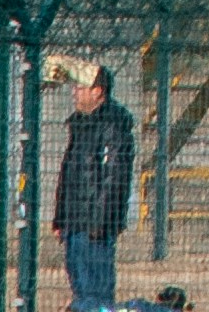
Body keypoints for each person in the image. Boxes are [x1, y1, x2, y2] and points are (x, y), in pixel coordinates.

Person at [49, 59, 134, 312]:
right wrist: (60, 219)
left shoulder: (114, 124)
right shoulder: (80, 124)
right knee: (81, 292)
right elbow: (70, 174)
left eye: (81, 87)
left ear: (98, 91)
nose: (75, 92)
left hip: (95, 225)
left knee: (95, 295)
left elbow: (115, 178)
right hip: (75, 223)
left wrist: (103, 221)